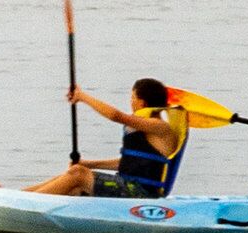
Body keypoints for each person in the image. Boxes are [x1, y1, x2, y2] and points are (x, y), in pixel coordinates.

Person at [30, 78, 190, 198]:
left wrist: (82, 97)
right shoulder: (146, 128)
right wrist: (88, 164)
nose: (131, 101)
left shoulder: (159, 126)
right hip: (127, 185)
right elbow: (129, 163)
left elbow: (116, 115)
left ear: (141, 102)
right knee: (75, 176)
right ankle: (15, 195)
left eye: (133, 97)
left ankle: (26, 202)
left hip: (140, 193)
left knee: (78, 174)